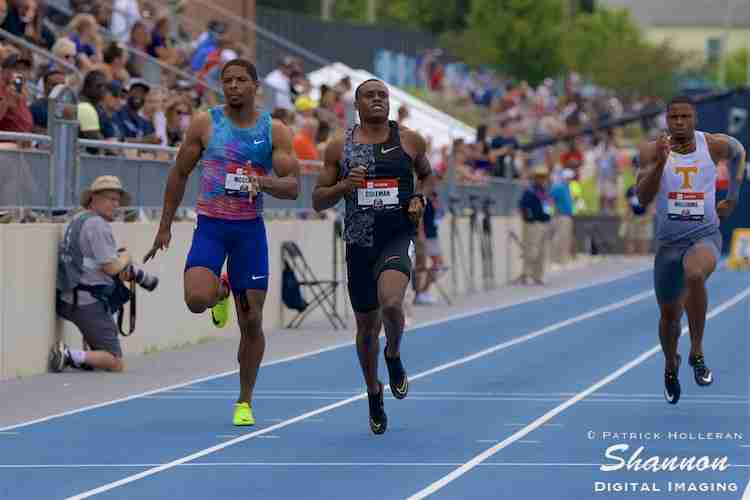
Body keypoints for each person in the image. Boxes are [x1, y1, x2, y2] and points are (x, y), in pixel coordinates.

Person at [144, 59, 299, 426]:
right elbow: (180, 172)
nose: (232, 86)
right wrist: (164, 226)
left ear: (255, 85)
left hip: (248, 231)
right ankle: (220, 291)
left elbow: (292, 186)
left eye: (240, 80)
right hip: (211, 226)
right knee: (196, 300)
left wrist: (263, 182)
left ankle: (244, 400)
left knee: (252, 321)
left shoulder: (273, 130)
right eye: (226, 80)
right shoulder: (205, 122)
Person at [312, 79, 431, 435]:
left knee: (392, 303)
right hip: (359, 242)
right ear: (357, 104)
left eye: (383, 95)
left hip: (396, 235)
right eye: (370, 95)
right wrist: (343, 188)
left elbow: (426, 176)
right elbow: (318, 199)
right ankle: (373, 390)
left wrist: (419, 198)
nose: (377, 100)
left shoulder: (409, 140)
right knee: (366, 326)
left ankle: (393, 354)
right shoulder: (340, 148)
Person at [636, 95, 746, 405]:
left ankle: (697, 353)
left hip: (705, 235)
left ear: (694, 119)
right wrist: (659, 163)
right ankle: (671, 365)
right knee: (669, 318)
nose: (680, 123)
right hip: (669, 243)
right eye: (675, 118)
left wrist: (733, 197)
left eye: (686, 117)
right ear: (667, 121)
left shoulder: (712, 144)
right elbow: (643, 197)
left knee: (696, 273)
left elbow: (739, 152)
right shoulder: (651, 150)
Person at [50, 176, 133, 373]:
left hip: (68, 297)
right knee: (115, 361)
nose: (116, 204)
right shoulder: (97, 224)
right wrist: (126, 257)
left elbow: (88, 263)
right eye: (111, 199)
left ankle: (84, 357)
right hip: (86, 303)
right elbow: (111, 267)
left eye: (117, 200)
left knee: (101, 347)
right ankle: (69, 355)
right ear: (94, 199)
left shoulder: (78, 219)